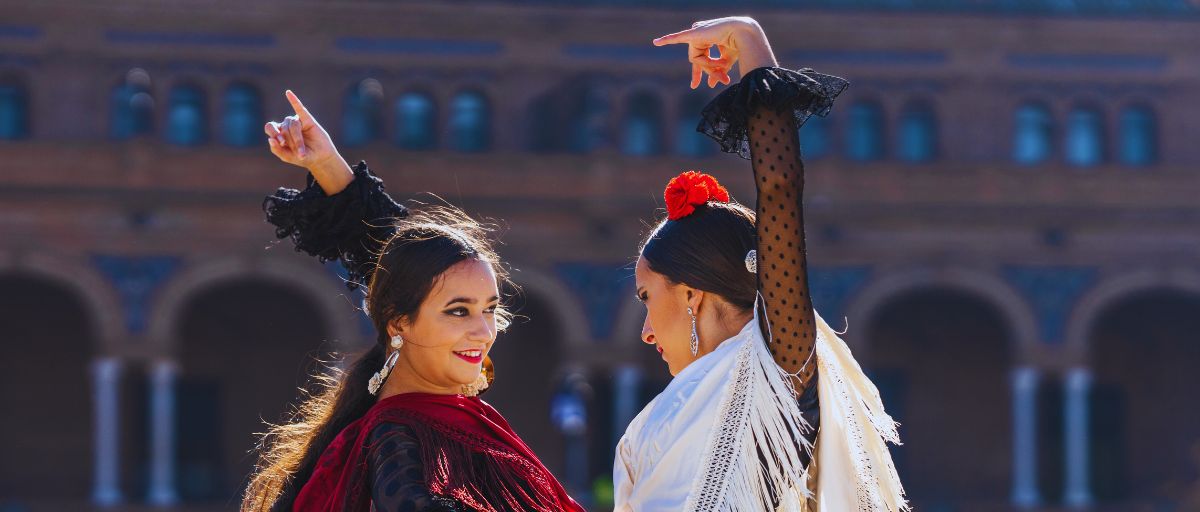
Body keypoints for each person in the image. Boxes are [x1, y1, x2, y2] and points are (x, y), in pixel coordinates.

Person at [612, 17, 908, 511]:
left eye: (647, 297)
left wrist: (747, 40)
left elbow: (779, 187)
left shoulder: (774, 368)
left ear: (690, 293)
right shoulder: (660, 417)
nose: (644, 330)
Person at [240, 91, 584, 512]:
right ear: (399, 323)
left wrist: (327, 164)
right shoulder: (396, 435)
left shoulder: (462, 420)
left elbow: (393, 254)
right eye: (458, 310)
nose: (483, 330)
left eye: (489, 308)